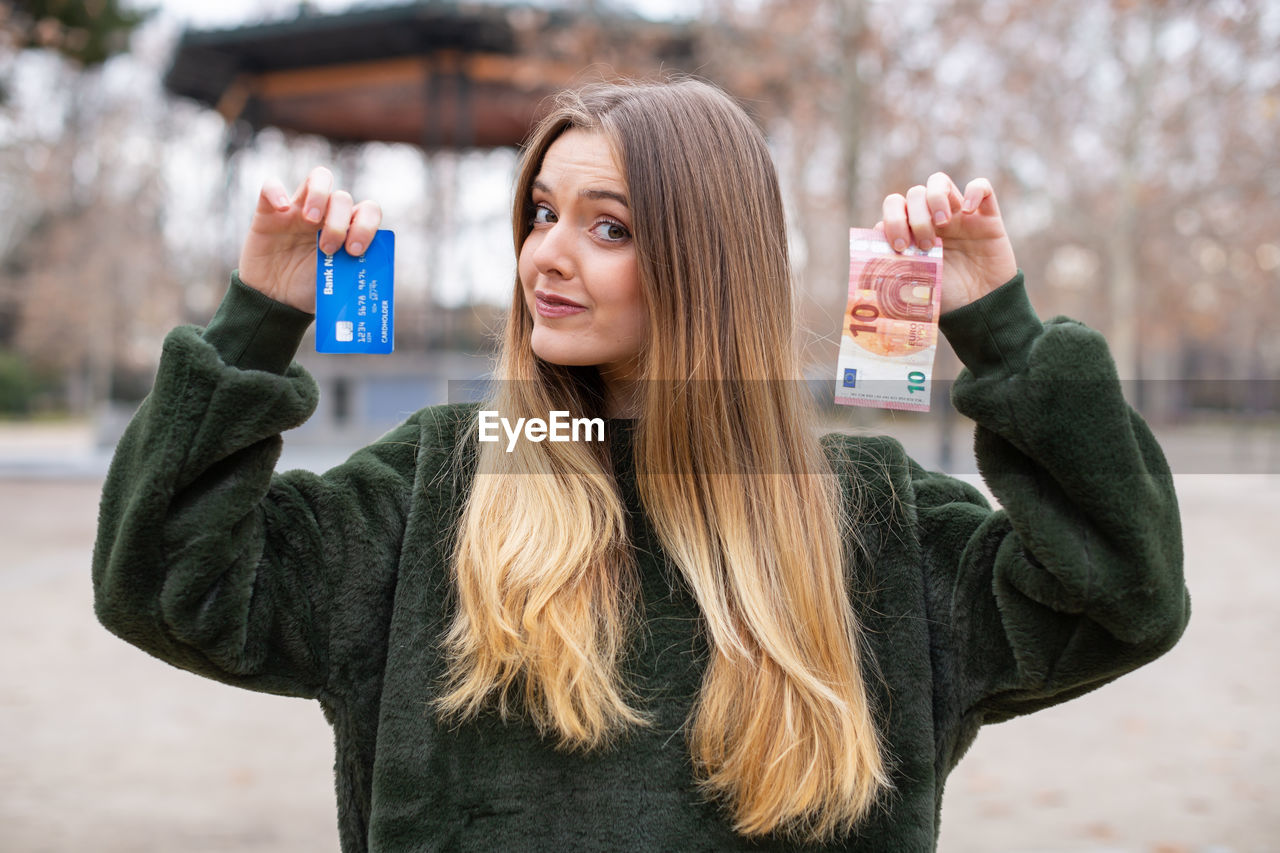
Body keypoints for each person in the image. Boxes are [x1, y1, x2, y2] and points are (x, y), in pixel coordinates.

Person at [92, 79, 1189, 852]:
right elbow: (166, 588)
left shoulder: (872, 518)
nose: (544, 257)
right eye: (539, 213)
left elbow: (1121, 598)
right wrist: (254, 320)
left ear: (706, 263)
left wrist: (999, 330)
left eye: (605, 227)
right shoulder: (447, 480)